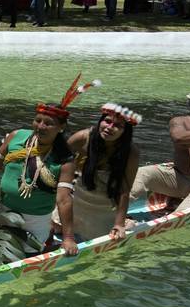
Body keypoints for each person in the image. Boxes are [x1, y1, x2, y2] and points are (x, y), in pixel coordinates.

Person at [0, 76, 96, 248]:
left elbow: (63, 200)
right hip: (3, 209)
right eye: (38, 120)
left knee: (20, 253)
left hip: (35, 221)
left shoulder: (64, 160)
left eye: (48, 123)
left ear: (61, 128)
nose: (40, 126)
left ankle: (48, 235)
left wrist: (68, 237)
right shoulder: (16, 136)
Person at [53, 103, 140, 253]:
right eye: (107, 121)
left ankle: (125, 220)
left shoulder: (131, 153)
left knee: (103, 238)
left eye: (117, 125)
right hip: (79, 199)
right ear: (100, 121)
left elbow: (124, 190)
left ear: (125, 132)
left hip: (105, 206)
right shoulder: (83, 137)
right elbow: (56, 161)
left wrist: (119, 224)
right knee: (55, 225)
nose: (109, 127)